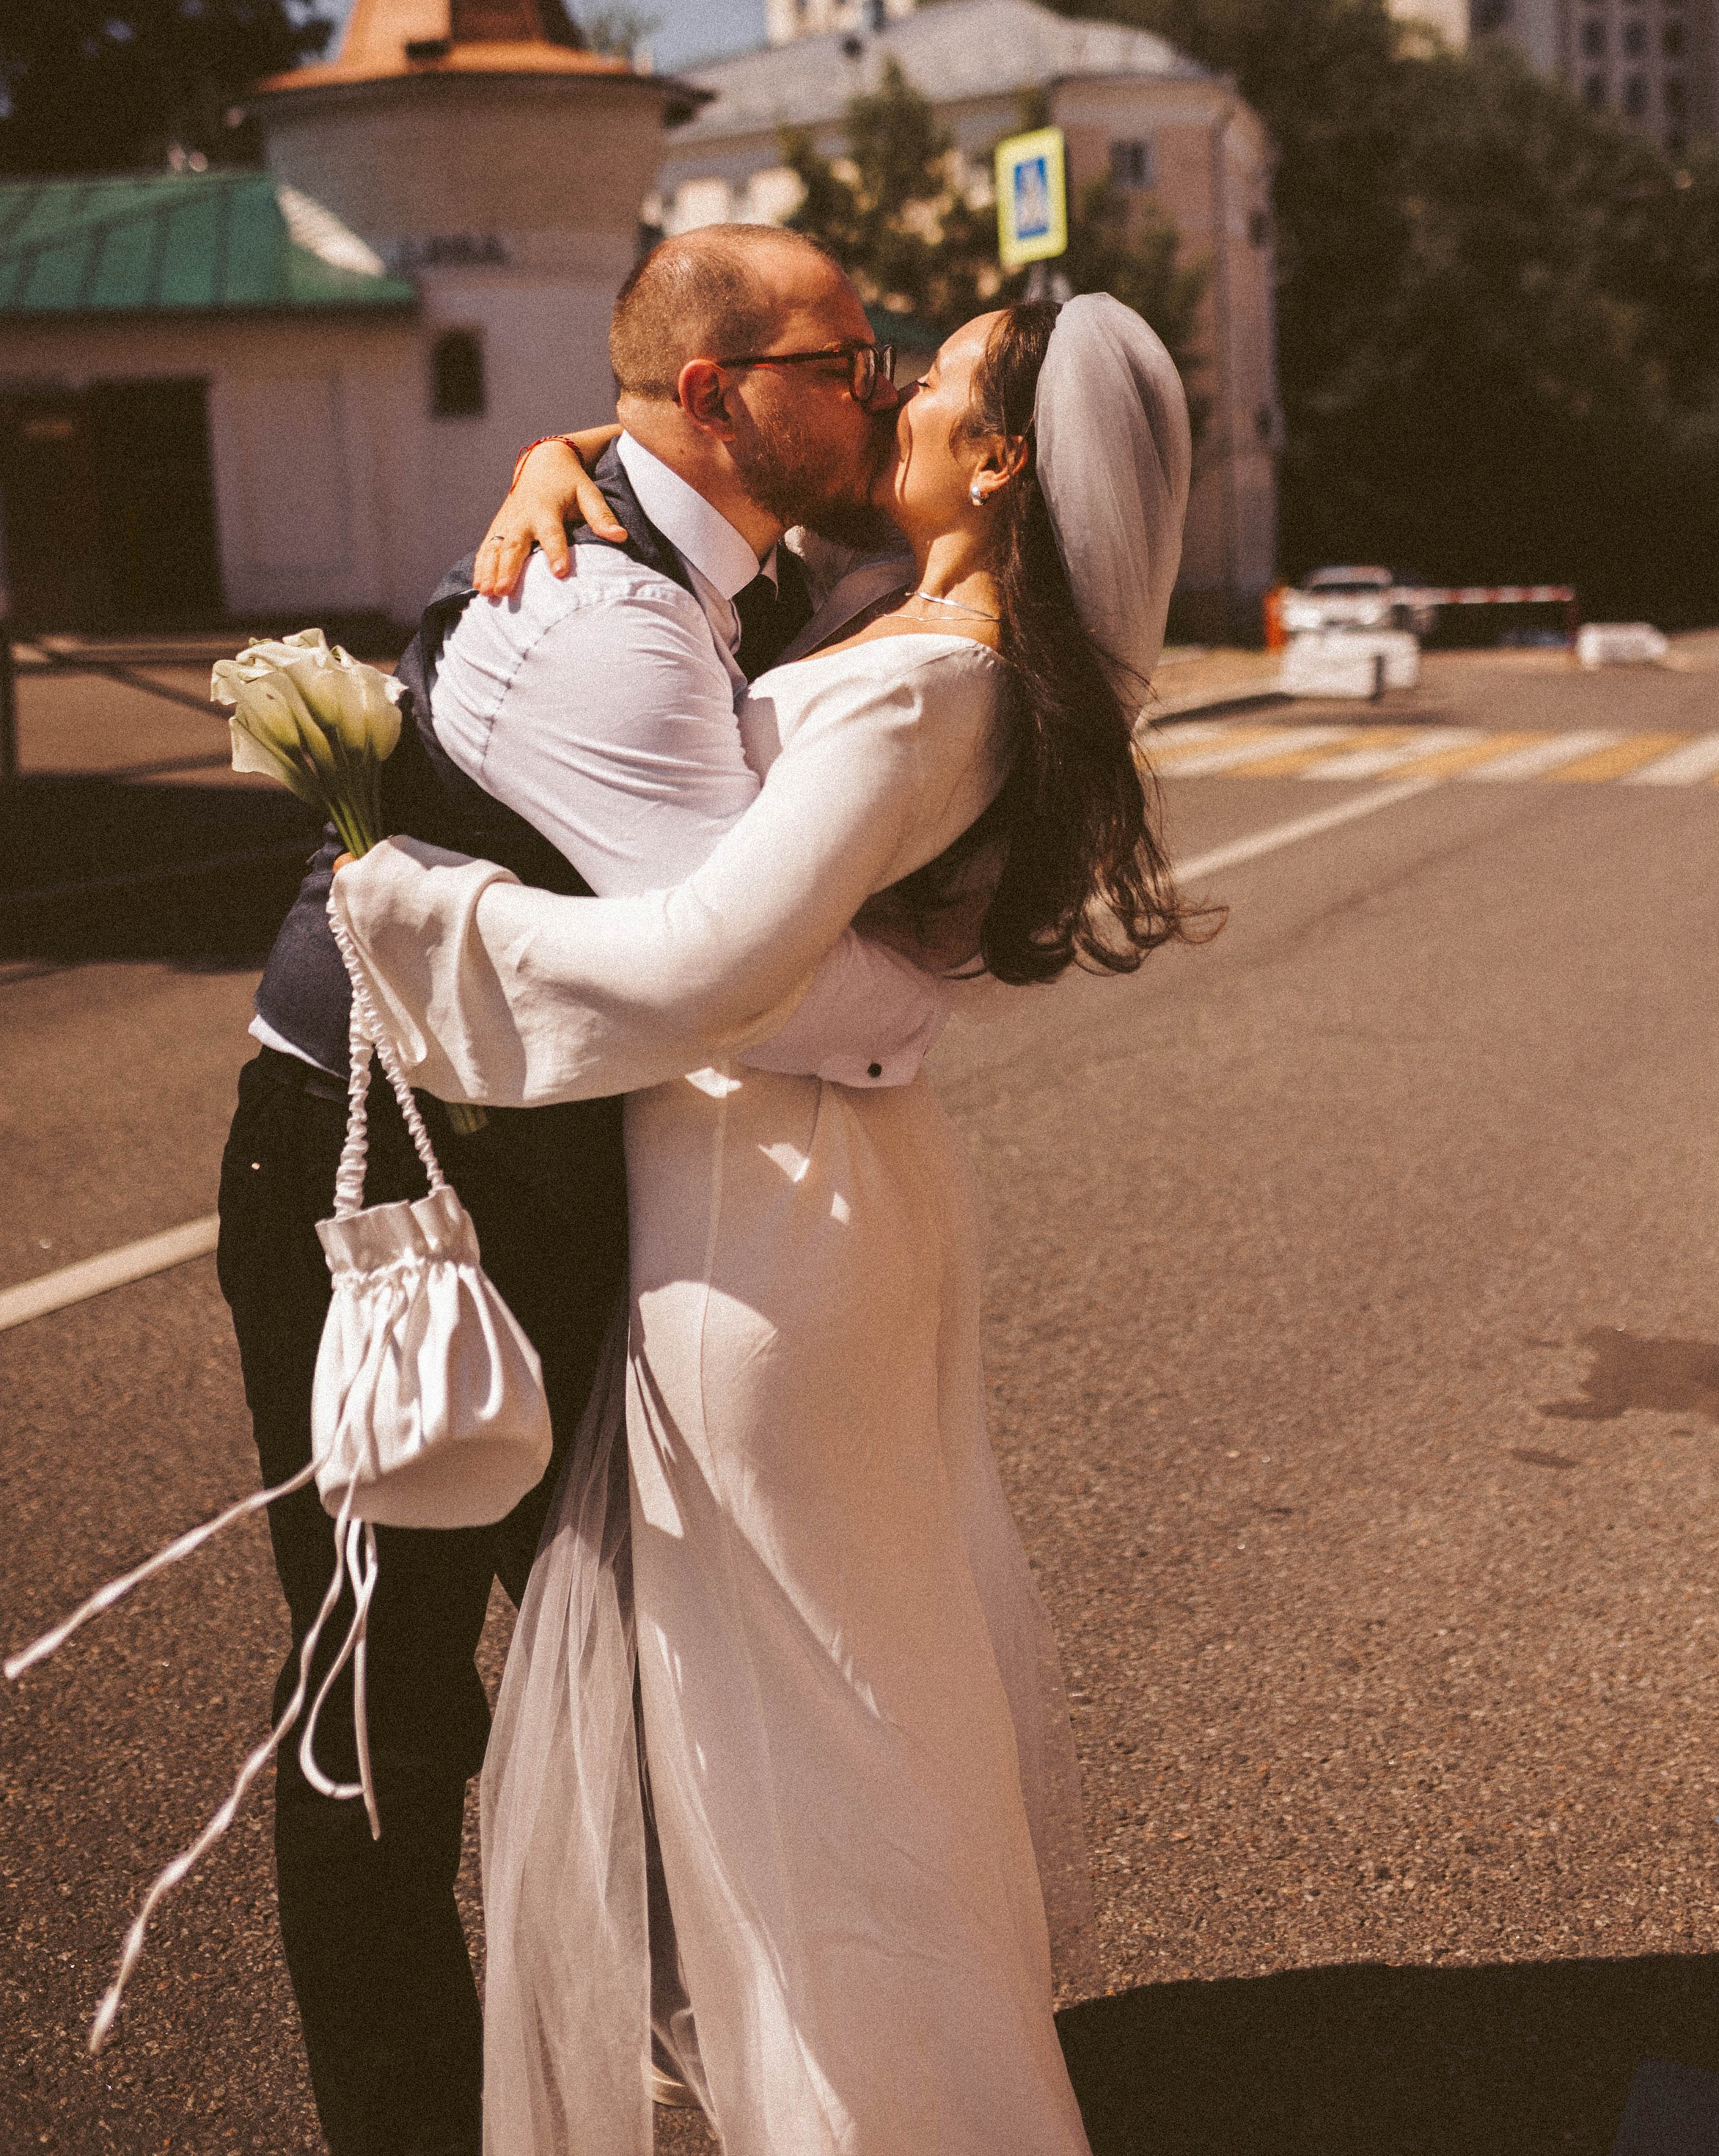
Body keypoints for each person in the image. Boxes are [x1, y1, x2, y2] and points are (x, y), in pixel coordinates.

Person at [332, 294, 1199, 2156]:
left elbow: (713, 960)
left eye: (930, 380)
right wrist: (556, 453)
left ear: (998, 460)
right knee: (858, 1710)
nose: (885, 393)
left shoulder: (911, 683)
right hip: (825, 1194)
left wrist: (409, 903)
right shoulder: (904, 630)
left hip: (765, 1226)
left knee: (802, 1753)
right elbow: (683, 469)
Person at [215, 225, 954, 2156]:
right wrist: (944, 997)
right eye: (841, 358)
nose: (872, 387)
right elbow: (749, 968)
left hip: (534, 1148)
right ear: (718, 397)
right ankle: (408, 2122)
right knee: (387, 1685)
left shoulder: (718, 550)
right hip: (371, 1180)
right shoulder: (613, 617)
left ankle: (633, 2040)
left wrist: (567, 444)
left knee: (619, 1633)